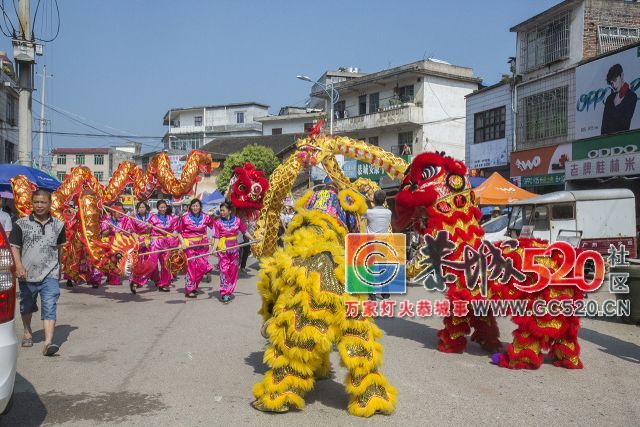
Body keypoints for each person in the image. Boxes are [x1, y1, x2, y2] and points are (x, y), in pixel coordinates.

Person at [9, 189, 66, 356]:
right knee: (27, 304)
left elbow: (60, 249)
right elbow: (14, 248)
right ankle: (27, 331)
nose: (39, 205)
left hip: (50, 274)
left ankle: (48, 343)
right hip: (27, 274)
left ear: (49, 204)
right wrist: (19, 267)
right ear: (32, 204)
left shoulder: (58, 225)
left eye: (43, 202)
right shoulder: (21, 224)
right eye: (36, 202)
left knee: (50, 304)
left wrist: (59, 268)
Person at [211, 201, 252, 304]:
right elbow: (216, 237)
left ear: (229, 211)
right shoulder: (217, 222)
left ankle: (229, 290)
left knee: (233, 270)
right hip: (223, 250)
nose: (221, 212)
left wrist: (253, 239)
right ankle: (224, 293)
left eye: (223, 210)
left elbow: (245, 232)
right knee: (224, 270)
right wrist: (214, 249)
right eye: (220, 210)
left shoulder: (237, 221)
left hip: (234, 249)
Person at [178, 198, 215, 298]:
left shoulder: (206, 217)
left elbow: (215, 227)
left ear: (200, 206)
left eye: (197, 205)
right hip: (189, 245)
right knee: (191, 267)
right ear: (190, 207)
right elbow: (179, 232)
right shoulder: (185, 218)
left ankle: (194, 286)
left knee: (202, 267)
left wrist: (213, 238)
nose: (195, 207)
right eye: (193, 206)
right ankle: (189, 289)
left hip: (202, 245)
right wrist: (182, 243)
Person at [363, 190, 392, 300]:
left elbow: (363, 214)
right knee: (383, 268)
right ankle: (385, 293)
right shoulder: (388, 212)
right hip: (383, 243)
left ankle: (372, 294)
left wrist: (369, 202)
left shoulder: (369, 212)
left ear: (374, 199)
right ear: (384, 200)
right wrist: (374, 202)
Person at [147, 200, 179, 292]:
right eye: (161, 207)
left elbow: (175, 230)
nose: (163, 209)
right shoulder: (152, 218)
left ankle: (164, 284)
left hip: (166, 242)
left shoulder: (171, 218)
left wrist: (174, 234)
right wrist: (148, 228)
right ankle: (139, 280)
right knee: (152, 263)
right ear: (158, 208)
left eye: (164, 207)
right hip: (155, 242)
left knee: (166, 264)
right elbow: (147, 232)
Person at [128, 201, 157, 292]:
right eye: (140, 207)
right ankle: (135, 281)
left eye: (143, 207)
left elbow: (155, 229)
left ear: (146, 208)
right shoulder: (133, 217)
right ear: (137, 208)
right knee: (138, 262)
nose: (142, 209)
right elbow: (132, 231)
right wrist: (136, 240)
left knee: (151, 261)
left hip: (150, 241)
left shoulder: (152, 216)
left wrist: (149, 228)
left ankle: (155, 279)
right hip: (138, 240)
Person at [601, 63, 638, 135]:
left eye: (615, 80)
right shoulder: (610, 98)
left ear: (622, 76)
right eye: (611, 83)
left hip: (622, 140)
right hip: (607, 141)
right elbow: (604, 125)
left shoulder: (631, 96)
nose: (613, 85)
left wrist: (611, 117)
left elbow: (625, 122)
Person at [99, 203, 130, 286]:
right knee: (110, 260)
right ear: (112, 212)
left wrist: (125, 232)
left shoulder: (121, 221)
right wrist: (109, 229)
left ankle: (114, 278)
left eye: (120, 211)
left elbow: (125, 231)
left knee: (116, 259)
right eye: (117, 212)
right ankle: (111, 277)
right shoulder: (106, 220)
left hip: (118, 242)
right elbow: (104, 233)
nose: (119, 213)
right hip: (108, 242)